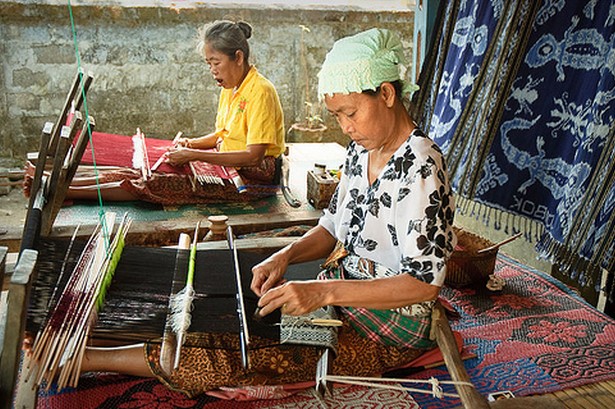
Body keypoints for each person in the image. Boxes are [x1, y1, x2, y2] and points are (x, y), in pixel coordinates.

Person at [71, 27, 456, 397]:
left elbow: (423, 284)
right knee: (236, 286)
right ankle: (99, 328)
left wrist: (322, 291)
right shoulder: (362, 151)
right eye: (337, 116)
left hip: (388, 322)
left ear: (386, 93)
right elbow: (334, 227)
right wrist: (284, 257)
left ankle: (83, 359)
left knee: (230, 350)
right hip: (342, 285)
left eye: (350, 113)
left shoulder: (422, 168)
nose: (345, 127)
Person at [31, 20, 285, 205]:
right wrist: (191, 144)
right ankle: (56, 181)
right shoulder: (231, 88)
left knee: (155, 181)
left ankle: (59, 190)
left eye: (216, 62)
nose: (212, 70)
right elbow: (223, 135)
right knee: (143, 170)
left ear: (238, 57)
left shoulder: (260, 91)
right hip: (229, 162)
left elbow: (254, 156)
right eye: (208, 64)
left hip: (253, 178)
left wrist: (194, 154)